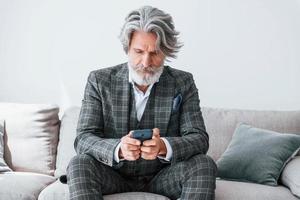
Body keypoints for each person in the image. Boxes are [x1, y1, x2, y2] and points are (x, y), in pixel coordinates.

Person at [66, 5, 217, 200]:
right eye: (138, 51)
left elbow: (199, 139)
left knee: (204, 164)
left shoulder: (183, 82)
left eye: (154, 53)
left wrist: (164, 146)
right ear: (127, 48)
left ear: (166, 51)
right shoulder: (99, 80)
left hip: (163, 177)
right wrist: (118, 149)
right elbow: (84, 138)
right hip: (112, 175)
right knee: (79, 163)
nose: (146, 62)